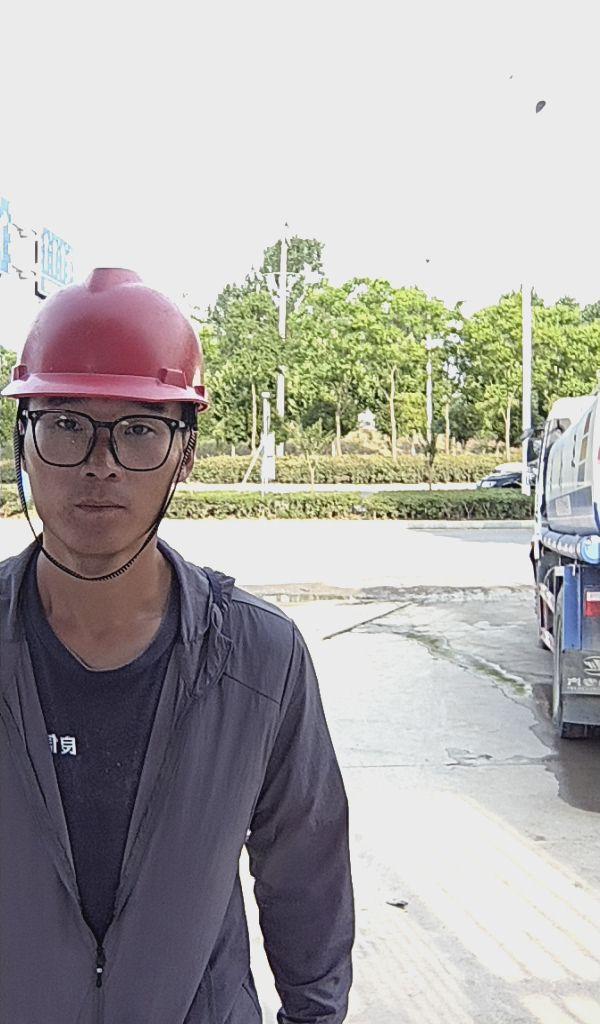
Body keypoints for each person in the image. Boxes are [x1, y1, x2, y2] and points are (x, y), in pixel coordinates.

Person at [0, 268, 354, 1024]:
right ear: (22, 441)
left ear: (185, 454)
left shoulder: (259, 660)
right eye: (65, 424)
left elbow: (306, 875)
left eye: (138, 429)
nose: (99, 463)